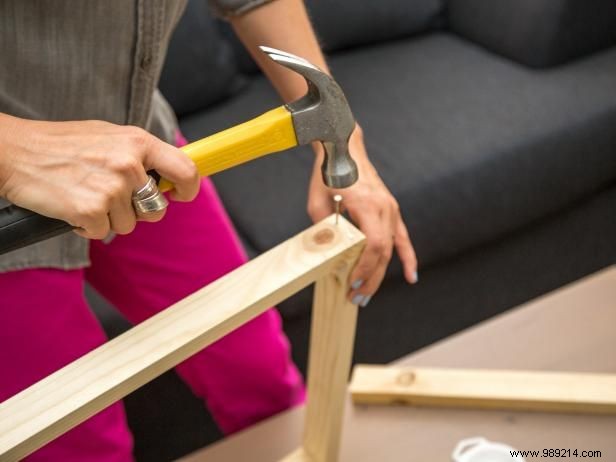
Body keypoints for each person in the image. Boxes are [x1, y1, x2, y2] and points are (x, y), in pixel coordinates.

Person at [0, 0, 418, 460]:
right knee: (72, 442)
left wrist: (344, 143)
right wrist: (16, 150)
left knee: (257, 375)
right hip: (9, 211)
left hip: (143, 156)